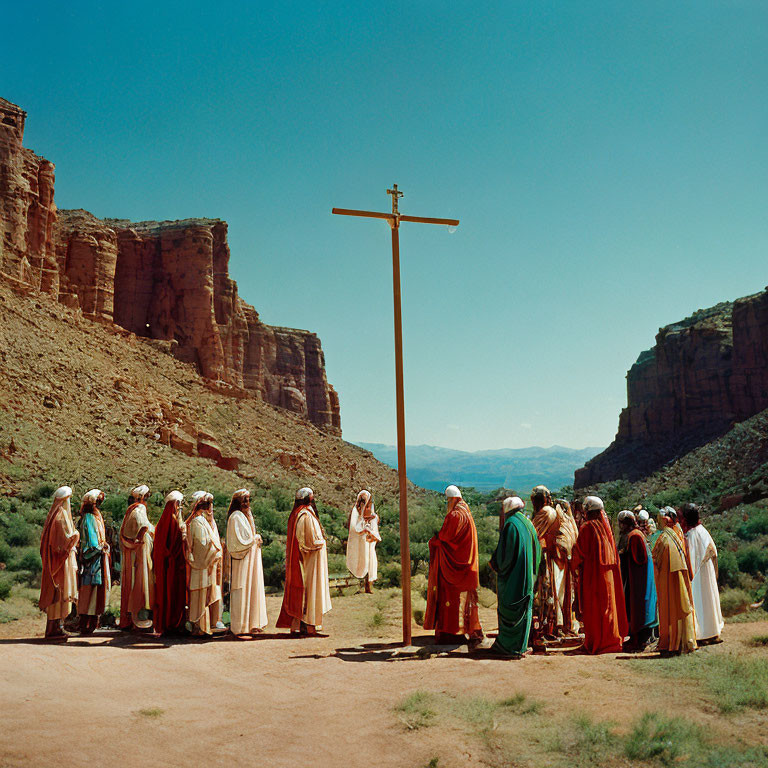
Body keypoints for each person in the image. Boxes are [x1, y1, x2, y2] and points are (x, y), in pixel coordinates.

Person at [424, 485, 483, 644]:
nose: (447, 503)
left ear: (453, 499)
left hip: (454, 567)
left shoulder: (456, 515)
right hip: (467, 565)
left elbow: (445, 537)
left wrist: (433, 542)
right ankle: (465, 629)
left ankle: (452, 633)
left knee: (450, 599)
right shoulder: (466, 510)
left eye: (448, 500)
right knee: (463, 600)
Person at [571, 496, 628, 654]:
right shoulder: (606, 527)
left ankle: (596, 642)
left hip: (593, 576)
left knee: (594, 609)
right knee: (609, 607)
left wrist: (571, 562)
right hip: (609, 576)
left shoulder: (587, 527)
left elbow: (579, 553)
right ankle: (611, 640)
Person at [489, 496, 541, 658]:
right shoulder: (527, 523)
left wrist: (495, 564)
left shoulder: (511, 524)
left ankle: (508, 647)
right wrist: (533, 574)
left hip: (514, 580)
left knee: (509, 611)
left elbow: (505, 556)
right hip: (528, 580)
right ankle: (521, 646)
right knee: (525, 612)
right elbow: (537, 551)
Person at [276, 487, 332, 636]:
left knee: (310, 592)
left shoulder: (301, 514)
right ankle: (309, 627)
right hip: (310, 561)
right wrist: (322, 543)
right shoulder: (305, 515)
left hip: (311, 561)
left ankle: (304, 626)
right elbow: (308, 541)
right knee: (311, 592)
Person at [530, 485, 579, 640]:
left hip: (549, 559)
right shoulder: (549, 512)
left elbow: (533, 533)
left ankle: (548, 629)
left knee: (549, 593)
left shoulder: (546, 512)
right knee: (556, 593)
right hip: (556, 559)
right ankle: (555, 626)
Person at [652, 508, 697, 655]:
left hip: (669, 579)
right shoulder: (676, 535)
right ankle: (681, 640)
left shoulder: (665, 537)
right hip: (676, 577)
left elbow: (656, 559)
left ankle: (672, 642)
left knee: (671, 607)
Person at [226, 488, 268, 638]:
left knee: (250, 591)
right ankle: (240, 628)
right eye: (244, 500)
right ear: (238, 502)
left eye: (248, 499)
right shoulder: (236, 517)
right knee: (242, 592)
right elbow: (239, 542)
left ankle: (251, 624)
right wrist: (254, 539)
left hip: (249, 561)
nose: (246, 503)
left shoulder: (245, 515)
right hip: (242, 562)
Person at [39, 486, 79, 641]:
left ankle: (55, 627)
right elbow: (62, 540)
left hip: (60, 561)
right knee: (59, 593)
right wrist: (75, 536)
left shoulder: (55, 515)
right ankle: (54, 629)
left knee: (58, 595)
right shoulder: (61, 515)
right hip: (61, 563)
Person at [681, 503, 723, 645]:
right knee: (710, 600)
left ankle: (703, 635)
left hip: (698, 576)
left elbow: (691, 559)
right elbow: (713, 552)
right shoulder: (703, 530)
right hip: (707, 573)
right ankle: (713, 632)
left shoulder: (692, 534)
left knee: (700, 602)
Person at [617, 510, 658, 651]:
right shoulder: (636, 534)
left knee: (639, 608)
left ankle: (640, 640)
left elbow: (639, 559)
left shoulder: (634, 536)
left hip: (639, 580)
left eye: (621, 524)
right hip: (638, 579)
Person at [119, 484, 155, 631]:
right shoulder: (138, 510)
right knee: (139, 584)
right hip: (139, 556)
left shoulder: (134, 511)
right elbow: (141, 529)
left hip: (139, 555)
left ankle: (136, 618)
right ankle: (138, 619)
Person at [186, 491, 222, 636]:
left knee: (201, 596)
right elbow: (202, 543)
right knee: (199, 596)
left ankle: (201, 627)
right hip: (200, 565)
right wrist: (212, 552)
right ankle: (199, 627)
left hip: (202, 565)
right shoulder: (197, 521)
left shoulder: (198, 520)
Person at [152, 490, 187, 636]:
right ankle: (173, 624)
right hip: (174, 566)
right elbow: (175, 545)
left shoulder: (164, 521)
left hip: (166, 566)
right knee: (172, 594)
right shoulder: (173, 521)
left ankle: (168, 624)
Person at [76, 489, 111, 635]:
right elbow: (90, 541)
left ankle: (90, 623)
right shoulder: (89, 518)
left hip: (98, 558)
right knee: (89, 591)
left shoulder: (94, 516)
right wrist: (100, 548)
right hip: (92, 559)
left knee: (94, 591)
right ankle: (86, 624)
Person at [346, 489, 381, 593]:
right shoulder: (355, 511)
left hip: (369, 542)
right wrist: (362, 530)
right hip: (359, 542)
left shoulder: (372, 513)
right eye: (362, 500)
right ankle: (361, 586)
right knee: (361, 562)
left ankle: (369, 586)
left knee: (371, 562)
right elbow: (353, 526)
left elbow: (374, 527)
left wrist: (371, 533)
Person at [201, 492, 226, 632]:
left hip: (215, 563)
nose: (210, 509)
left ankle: (216, 619)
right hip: (206, 563)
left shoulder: (211, 521)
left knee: (215, 590)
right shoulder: (200, 521)